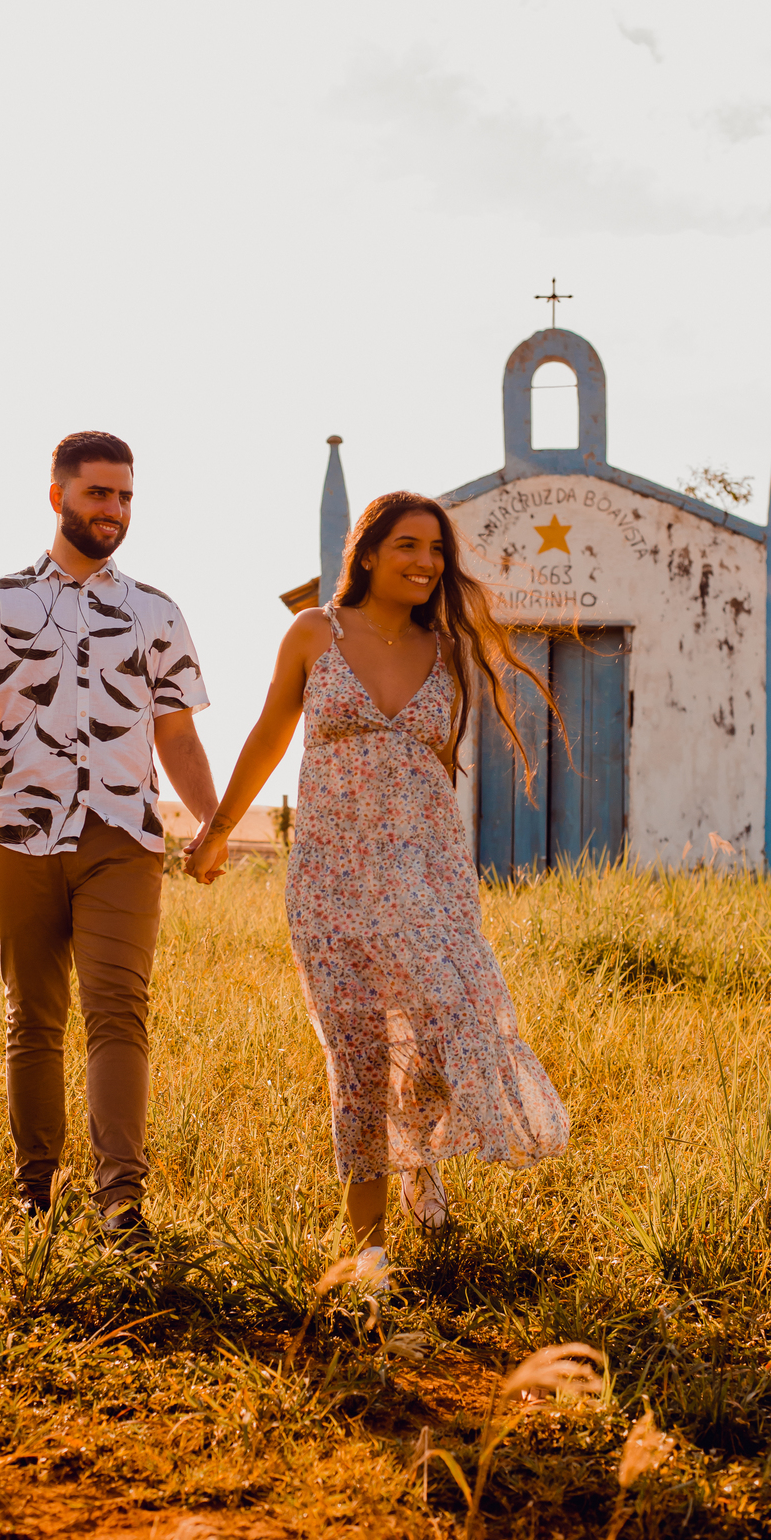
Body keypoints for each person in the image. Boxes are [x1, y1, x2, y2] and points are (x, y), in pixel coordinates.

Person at [185, 492, 569, 1290]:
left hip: (428, 878)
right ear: (366, 553)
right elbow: (269, 734)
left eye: (437, 550)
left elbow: (436, 774)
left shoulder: (446, 649)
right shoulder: (314, 634)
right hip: (330, 881)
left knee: (450, 1019)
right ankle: (369, 1252)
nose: (426, 562)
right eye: (408, 546)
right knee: (357, 1053)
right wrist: (218, 828)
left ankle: (419, 1153)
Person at [0, 430, 217, 1245]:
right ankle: (35, 1194)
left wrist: (211, 819)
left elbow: (178, 736)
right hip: (17, 834)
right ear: (58, 495)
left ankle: (120, 1203)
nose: (114, 510)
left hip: (123, 837)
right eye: (99, 493)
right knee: (33, 1017)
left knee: (119, 1011)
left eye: (125, 496)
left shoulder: (157, 612)